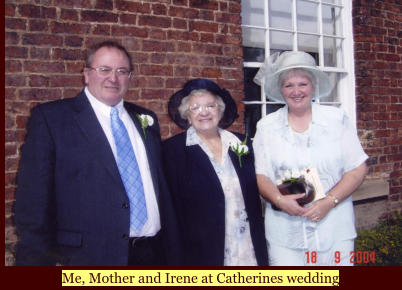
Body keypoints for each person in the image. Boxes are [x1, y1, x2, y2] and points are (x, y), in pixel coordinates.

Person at [14, 40, 180, 266]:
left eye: (122, 71)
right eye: (104, 70)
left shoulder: (146, 119)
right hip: (88, 257)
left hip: (152, 254)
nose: (113, 78)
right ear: (86, 74)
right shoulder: (52, 119)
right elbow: (33, 201)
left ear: (129, 77)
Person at [252, 51, 368, 266]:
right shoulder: (266, 127)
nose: (296, 91)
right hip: (285, 232)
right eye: (289, 85)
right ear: (281, 89)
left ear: (313, 86)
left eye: (302, 84)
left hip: (334, 228)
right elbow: (261, 174)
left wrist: (329, 202)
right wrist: (279, 200)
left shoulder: (336, 119)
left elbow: (357, 168)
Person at [162, 78, 268, 266]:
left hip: (248, 248)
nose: (204, 112)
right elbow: (171, 210)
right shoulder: (172, 150)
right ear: (187, 114)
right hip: (203, 254)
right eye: (195, 107)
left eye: (210, 105)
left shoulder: (241, 143)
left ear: (220, 109)